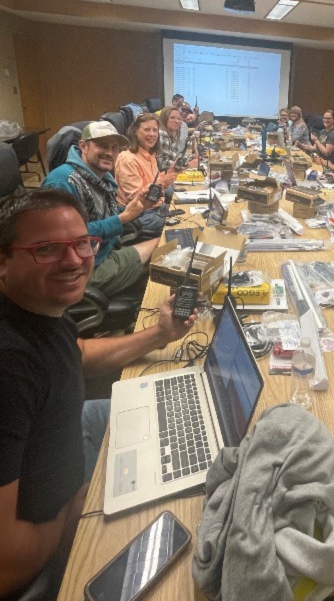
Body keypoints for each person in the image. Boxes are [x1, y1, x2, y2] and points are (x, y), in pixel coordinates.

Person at [0, 188, 196, 599]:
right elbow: (6, 561)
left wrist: (159, 334)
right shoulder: (9, 368)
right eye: (47, 249)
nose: (74, 260)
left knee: (176, 408)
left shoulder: (38, 307)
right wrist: (79, 507)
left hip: (65, 436)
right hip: (47, 531)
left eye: (82, 244)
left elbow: (75, 356)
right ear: (3, 260)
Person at [42, 120, 159, 299]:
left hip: (104, 251)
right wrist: (123, 218)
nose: (109, 153)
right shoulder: (63, 182)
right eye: (102, 146)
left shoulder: (98, 176)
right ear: (83, 146)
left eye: (114, 148)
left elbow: (101, 216)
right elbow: (64, 241)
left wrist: (135, 208)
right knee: (162, 244)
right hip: (80, 271)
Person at [115, 113, 178, 239]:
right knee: (181, 227)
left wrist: (168, 177)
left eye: (155, 130)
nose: (152, 134)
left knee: (186, 211)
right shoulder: (127, 159)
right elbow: (138, 200)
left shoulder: (150, 154)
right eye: (147, 130)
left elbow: (157, 181)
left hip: (155, 207)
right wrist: (162, 183)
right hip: (139, 215)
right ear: (135, 132)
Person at [157, 105, 187, 170]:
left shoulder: (171, 134)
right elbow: (163, 165)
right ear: (164, 118)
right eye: (172, 118)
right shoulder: (162, 134)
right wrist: (188, 164)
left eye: (179, 119)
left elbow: (174, 157)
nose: (177, 121)